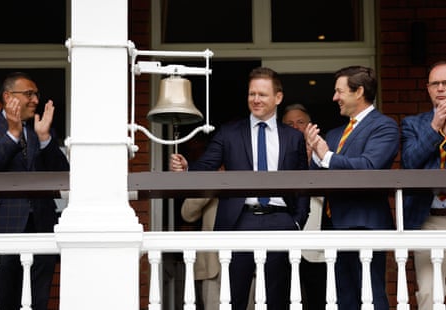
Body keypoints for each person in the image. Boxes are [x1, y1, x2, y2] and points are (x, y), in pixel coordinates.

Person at [171, 67, 310, 310]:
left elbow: (302, 185)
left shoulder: (293, 137)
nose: (255, 99)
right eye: (251, 94)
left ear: (278, 98)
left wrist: (297, 220)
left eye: (262, 94)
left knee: (277, 300)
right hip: (239, 220)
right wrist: (186, 168)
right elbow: (206, 165)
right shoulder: (229, 132)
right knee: (233, 298)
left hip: (281, 221)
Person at [305, 66, 399, 310]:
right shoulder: (336, 133)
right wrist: (315, 155)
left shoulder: (384, 126)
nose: (335, 97)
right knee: (340, 298)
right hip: (334, 225)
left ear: (358, 92)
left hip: (365, 224)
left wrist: (326, 156)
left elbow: (369, 165)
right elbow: (318, 178)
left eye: (339, 91)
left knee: (369, 294)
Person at [0, 72, 70, 310]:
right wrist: (12, 134)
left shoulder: (40, 130)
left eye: (36, 95)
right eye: (29, 94)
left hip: (41, 225)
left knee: (37, 301)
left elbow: (63, 174)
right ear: (8, 96)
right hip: (0, 227)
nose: (35, 100)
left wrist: (44, 139)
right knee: (0, 300)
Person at [401, 60, 446, 310]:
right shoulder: (413, 124)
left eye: (445, 83)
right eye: (435, 84)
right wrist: (434, 127)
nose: (440, 88)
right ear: (427, 89)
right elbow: (410, 161)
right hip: (428, 219)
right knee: (429, 292)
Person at [282, 103, 327, 310]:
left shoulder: (324, 152)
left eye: (300, 122)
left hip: (316, 245)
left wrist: (313, 157)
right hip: (283, 241)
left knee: (319, 300)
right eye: (289, 124)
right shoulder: (276, 154)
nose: (295, 127)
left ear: (311, 126)